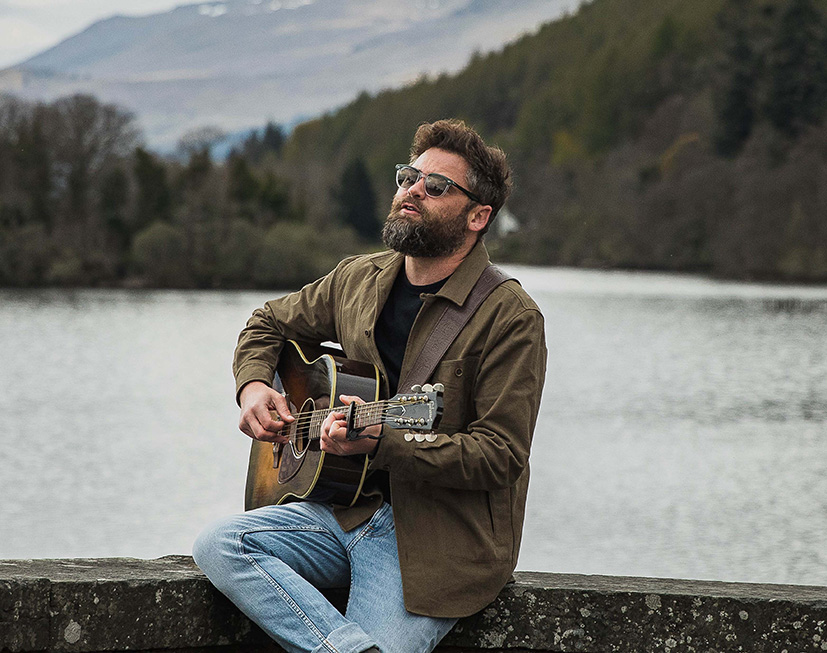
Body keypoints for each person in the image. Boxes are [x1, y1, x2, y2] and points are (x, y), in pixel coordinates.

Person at [193, 119, 547, 653]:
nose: (412, 191)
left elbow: (500, 455)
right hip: (340, 510)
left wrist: (383, 443)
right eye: (408, 177)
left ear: (478, 216)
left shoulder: (510, 317)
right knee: (220, 544)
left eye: (436, 186)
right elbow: (268, 323)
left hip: (435, 540)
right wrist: (254, 387)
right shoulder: (358, 278)